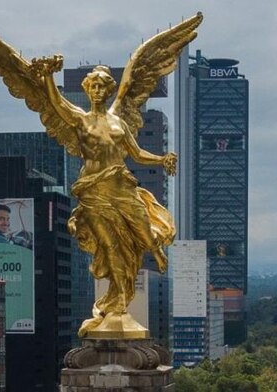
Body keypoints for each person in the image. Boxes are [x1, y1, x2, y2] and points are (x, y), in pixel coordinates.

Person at [33, 61, 176, 335]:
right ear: (87, 89)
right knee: (111, 246)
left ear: (109, 90)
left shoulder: (118, 121)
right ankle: (119, 301)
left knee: (140, 223)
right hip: (93, 193)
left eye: (102, 86)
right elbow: (56, 102)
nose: (98, 90)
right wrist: (49, 76)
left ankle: (155, 250)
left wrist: (162, 159)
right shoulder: (80, 119)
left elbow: (136, 154)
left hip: (121, 187)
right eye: (93, 86)